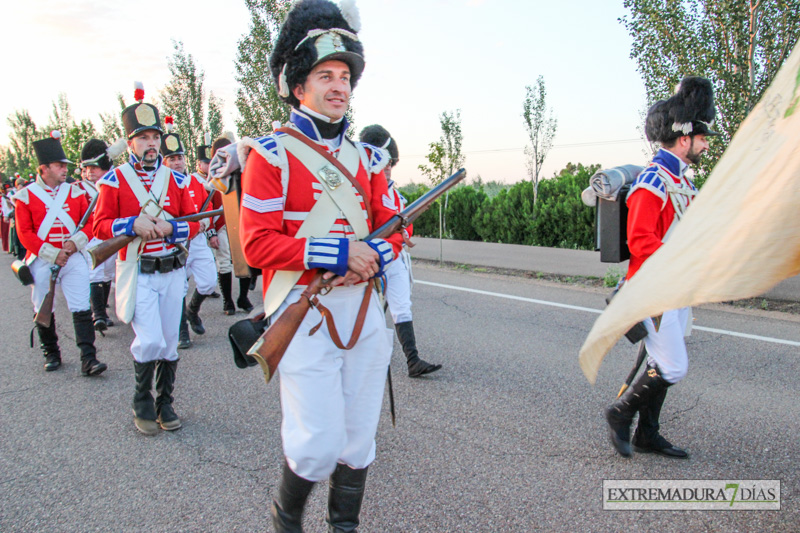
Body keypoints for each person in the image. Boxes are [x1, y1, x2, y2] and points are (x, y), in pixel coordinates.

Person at [231, 1, 403, 529]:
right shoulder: (271, 155)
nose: (338, 86)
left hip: (364, 314)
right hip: (303, 314)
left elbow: (400, 228)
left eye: (345, 76)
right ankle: (287, 520)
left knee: (358, 439)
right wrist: (335, 252)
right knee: (315, 445)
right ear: (297, 87)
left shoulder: (370, 159)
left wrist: (373, 254)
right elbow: (256, 245)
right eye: (325, 75)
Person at [605, 76, 719, 459]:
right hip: (654, 289)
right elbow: (641, 243)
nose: (705, 144)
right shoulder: (653, 182)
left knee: (661, 361)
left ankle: (647, 434)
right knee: (674, 366)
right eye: (702, 137)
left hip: (676, 286)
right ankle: (620, 414)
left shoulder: (679, 181)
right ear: (684, 138)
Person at [93, 84, 200, 436]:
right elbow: (99, 225)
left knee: (169, 341)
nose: (151, 144)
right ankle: (142, 399)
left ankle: (164, 402)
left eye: (155, 137)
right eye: (143, 138)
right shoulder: (113, 180)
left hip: (171, 269)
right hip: (137, 271)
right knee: (150, 340)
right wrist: (131, 224)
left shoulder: (178, 180)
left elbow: (194, 224)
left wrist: (171, 228)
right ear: (130, 142)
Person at [14, 131, 106, 376]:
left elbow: (89, 224)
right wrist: (52, 254)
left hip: (73, 256)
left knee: (80, 306)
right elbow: (25, 233)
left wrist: (75, 243)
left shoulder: (75, 193)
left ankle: (89, 357)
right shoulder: (26, 195)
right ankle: (51, 352)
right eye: (59, 165)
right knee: (43, 305)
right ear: (44, 168)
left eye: (64, 165)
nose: (65, 169)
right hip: (43, 259)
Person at [359, 124, 442, 378]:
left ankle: (412, 360)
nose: (387, 167)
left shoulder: (395, 194)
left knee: (401, 306)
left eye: (390, 163)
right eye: (383, 162)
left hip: (393, 257)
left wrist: (404, 233)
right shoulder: (362, 189)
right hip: (367, 256)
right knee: (363, 310)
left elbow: (406, 223)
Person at [160, 120, 217, 349]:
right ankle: (182, 330)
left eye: (179, 158)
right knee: (179, 287)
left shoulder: (197, 182)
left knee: (208, 283)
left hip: (198, 238)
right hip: (176, 242)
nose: (177, 163)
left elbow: (210, 209)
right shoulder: (161, 183)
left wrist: (205, 221)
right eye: (172, 159)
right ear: (165, 162)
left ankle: (192, 311)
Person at [207, 134, 254, 316]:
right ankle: (228, 301)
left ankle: (243, 297)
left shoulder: (243, 172)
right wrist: (211, 232)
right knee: (224, 264)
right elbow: (208, 206)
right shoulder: (215, 177)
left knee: (245, 260)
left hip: (240, 222)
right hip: (221, 225)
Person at [79, 138, 123, 332]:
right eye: (87, 168)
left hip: (112, 234)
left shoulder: (115, 184)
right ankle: (98, 313)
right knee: (95, 271)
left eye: (94, 167)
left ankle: (103, 309)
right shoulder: (80, 189)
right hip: (91, 237)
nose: (90, 172)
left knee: (107, 273)